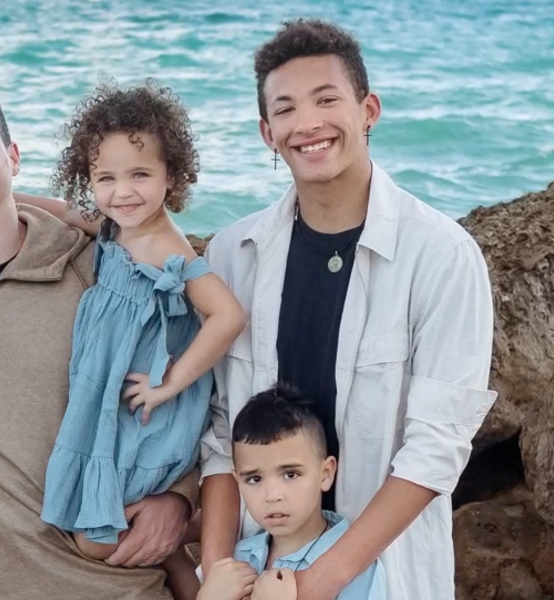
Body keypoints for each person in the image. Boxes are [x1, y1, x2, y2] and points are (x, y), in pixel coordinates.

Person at [197, 19, 498, 600]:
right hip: (258, 576)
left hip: (381, 576)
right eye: (285, 110)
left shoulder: (441, 255)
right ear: (267, 133)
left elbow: (437, 448)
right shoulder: (232, 255)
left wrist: (319, 582)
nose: (307, 124)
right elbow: (217, 432)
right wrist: (217, 569)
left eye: (327, 99)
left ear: (369, 111)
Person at [0, 75, 197, 600]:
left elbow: (202, 392)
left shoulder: (104, 271)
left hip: (118, 585)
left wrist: (181, 499)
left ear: (12, 157)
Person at [13, 81, 244, 600]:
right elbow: (68, 214)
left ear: (171, 176)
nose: (123, 192)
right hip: (111, 407)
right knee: (111, 530)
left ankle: (217, 529)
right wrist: (1, 196)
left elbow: (227, 316)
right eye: (105, 178)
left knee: (95, 539)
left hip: (150, 415)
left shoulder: (168, 248)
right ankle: (196, 586)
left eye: (140, 174)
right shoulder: (118, 227)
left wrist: (169, 384)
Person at [198, 386, 387, 600]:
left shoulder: (353, 565)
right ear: (237, 482)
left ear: (325, 474)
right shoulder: (238, 558)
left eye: (290, 475)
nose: (272, 495)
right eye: (254, 479)